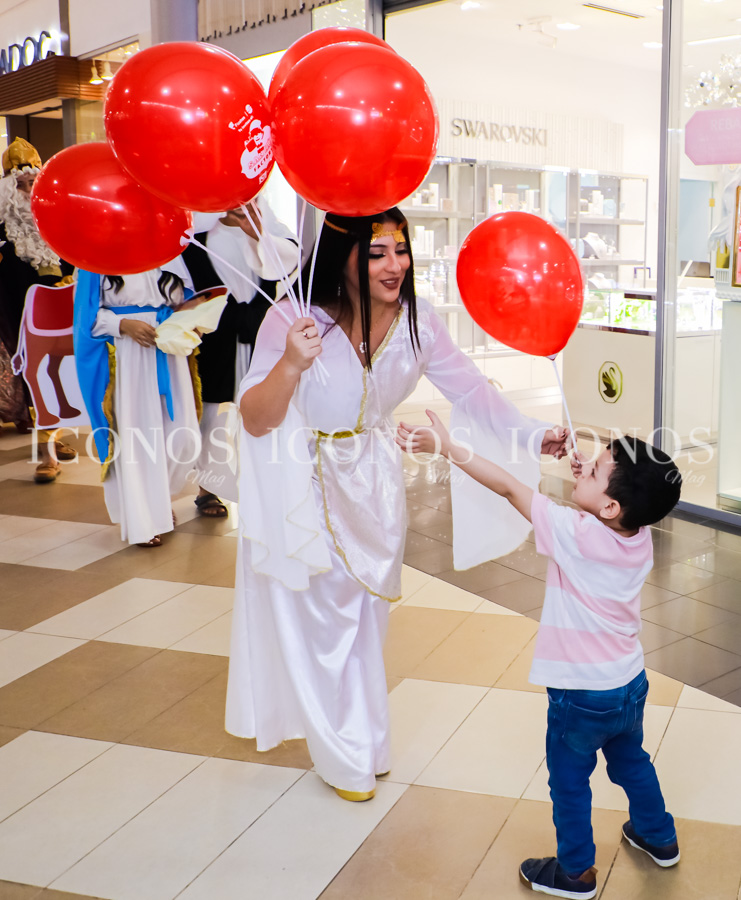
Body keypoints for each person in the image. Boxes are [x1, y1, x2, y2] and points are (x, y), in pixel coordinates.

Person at [226, 207, 569, 801]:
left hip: (378, 486)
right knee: (326, 622)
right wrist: (289, 364)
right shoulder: (294, 316)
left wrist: (533, 434)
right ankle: (344, 757)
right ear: (345, 254)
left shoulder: (419, 322)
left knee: (366, 623)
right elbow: (255, 419)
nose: (394, 265)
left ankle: (366, 740)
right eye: (378, 251)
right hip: (309, 486)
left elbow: (473, 393)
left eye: (401, 250)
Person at [397, 412, 682, 899]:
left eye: (594, 469)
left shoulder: (576, 533)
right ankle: (659, 836)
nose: (585, 464)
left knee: (570, 782)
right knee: (631, 759)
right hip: (628, 683)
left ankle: (575, 873)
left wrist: (447, 446)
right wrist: (591, 487)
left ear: (611, 505)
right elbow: (608, 512)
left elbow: (509, 488)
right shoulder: (638, 533)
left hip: (581, 693)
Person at [168, 200, 298, 517]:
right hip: (214, 336)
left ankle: (265, 482)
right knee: (214, 412)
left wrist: (259, 237)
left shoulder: (273, 236)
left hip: (261, 334)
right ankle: (209, 487)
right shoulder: (194, 237)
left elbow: (287, 269)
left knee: (265, 410)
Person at [74, 269, 201, 547]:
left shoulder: (169, 248)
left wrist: (190, 316)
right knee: (138, 434)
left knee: (182, 435)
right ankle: (142, 517)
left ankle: (156, 498)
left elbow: (186, 298)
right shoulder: (94, 257)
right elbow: (85, 317)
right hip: (127, 351)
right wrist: (122, 324)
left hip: (168, 348)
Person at [0, 137, 76, 478]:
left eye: (34, 182)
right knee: (35, 376)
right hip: (23, 318)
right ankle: (48, 455)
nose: (29, 190)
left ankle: (55, 435)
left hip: (67, 315)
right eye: (21, 184)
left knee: (61, 376)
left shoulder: (62, 219)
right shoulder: (2, 229)